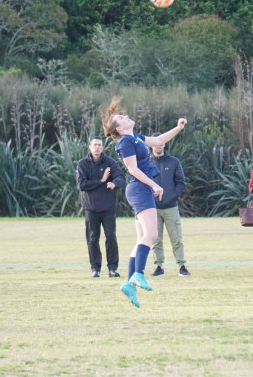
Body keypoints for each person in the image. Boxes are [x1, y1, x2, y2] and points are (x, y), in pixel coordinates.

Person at [101, 97, 187, 308]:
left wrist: (178, 128)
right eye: (121, 117)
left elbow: (158, 141)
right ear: (119, 128)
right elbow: (132, 170)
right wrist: (155, 185)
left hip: (141, 189)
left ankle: (130, 285)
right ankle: (138, 274)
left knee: (142, 238)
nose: (125, 115)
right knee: (152, 234)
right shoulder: (125, 142)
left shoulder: (136, 137)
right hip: (139, 189)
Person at [76, 136, 126, 278]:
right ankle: (95, 268)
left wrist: (114, 183)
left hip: (108, 208)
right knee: (92, 238)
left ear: (102, 147)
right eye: (95, 145)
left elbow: (121, 178)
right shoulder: (82, 164)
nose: (97, 147)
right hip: (91, 208)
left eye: (99, 145)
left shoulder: (110, 162)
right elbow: (81, 185)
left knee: (111, 237)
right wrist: (102, 181)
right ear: (90, 147)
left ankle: (112, 268)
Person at [149, 132, 191, 277]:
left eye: (161, 142)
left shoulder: (173, 162)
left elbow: (181, 182)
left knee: (176, 238)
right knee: (156, 239)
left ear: (164, 143)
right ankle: (158, 266)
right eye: (156, 142)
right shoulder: (146, 163)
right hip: (153, 208)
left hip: (170, 207)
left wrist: (171, 196)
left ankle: (181, 265)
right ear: (151, 144)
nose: (158, 145)